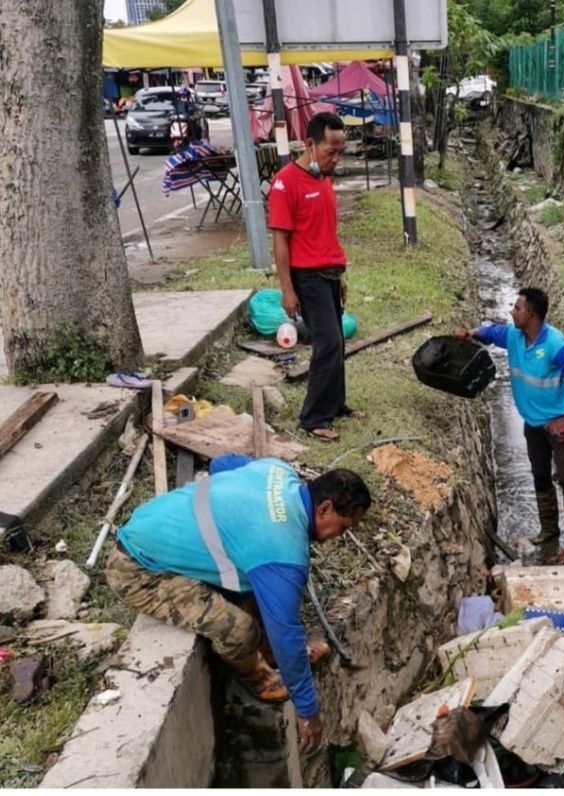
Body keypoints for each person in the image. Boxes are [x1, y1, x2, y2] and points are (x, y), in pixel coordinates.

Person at [106, 456, 371, 757]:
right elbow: (287, 632)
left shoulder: (277, 471)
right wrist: (308, 710)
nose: (341, 535)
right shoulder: (283, 550)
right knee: (238, 630)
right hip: (139, 570)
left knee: (261, 590)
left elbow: (222, 463)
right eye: (344, 526)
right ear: (324, 509)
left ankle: (270, 656)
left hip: (149, 523)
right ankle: (259, 678)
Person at [456, 287, 564, 551]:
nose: (512, 311)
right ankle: (549, 531)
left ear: (531, 314)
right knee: (540, 474)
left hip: (560, 423)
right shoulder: (514, 336)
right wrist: (470, 333)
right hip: (533, 423)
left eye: (517, 308)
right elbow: (490, 333)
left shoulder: (556, 345)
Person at [268, 111, 363, 442]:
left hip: (330, 273)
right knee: (328, 344)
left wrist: (340, 273)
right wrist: (286, 289)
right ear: (310, 143)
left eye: (340, 151)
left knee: (337, 340)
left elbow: (325, 232)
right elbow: (280, 240)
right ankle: (313, 417)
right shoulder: (285, 183)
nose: (336, 158)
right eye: (330, 151)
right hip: (306, 277)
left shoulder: (323, 179)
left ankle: (336, 404)